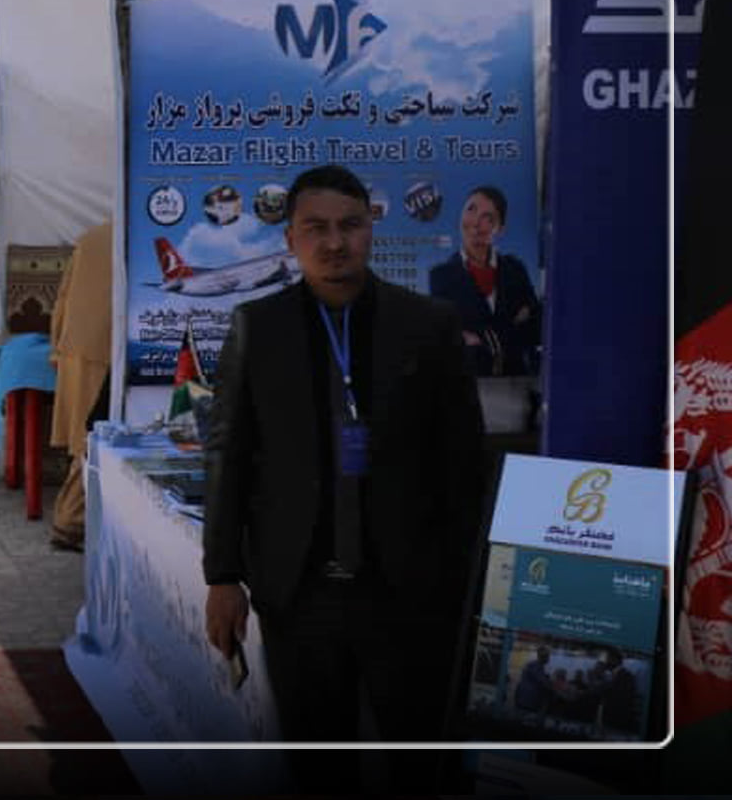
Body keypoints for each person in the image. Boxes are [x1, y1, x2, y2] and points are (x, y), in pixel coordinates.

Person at [202, 165, 484, 786]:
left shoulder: (428, 325)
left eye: (350, 225)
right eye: (316, 228)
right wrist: (223, 575)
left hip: (407, 597)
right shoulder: (258, 327)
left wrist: (463, 582)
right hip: (299, 595)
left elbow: (462, 465)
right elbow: (228, 453)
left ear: (371, 230)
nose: (335, 242)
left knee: (424, 769)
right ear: (290, 240)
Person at [47, 219, 114, 550]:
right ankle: (70, 523)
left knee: (82, 438)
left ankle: (71, 520)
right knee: (90, 441)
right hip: (103, 350)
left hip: (76, 346)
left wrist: (56, 344)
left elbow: (62, 296)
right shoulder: (134, 235)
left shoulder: (92, 236)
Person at [428, 185, 542, 377]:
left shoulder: (515, 269)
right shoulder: (441, 276)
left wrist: (480, 339)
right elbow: (449, 337)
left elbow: (535, 329)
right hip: (468, 382)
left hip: (518, 382)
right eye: (471, 210)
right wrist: (512, 329)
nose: (476, 223)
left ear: (500, 228)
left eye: (488, 217)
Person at [514, 644, 555, 716]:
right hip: (528, 699)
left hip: (526, 698)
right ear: (544, 656)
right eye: (548, 656)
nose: (549, 658)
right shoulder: (535, 666)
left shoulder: (534, 665)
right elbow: (544, 683)